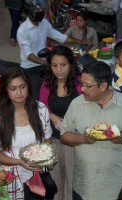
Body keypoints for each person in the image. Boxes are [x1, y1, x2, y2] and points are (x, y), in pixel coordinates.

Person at [60, 61, 122, 200]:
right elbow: (64, 135)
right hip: (84, 185)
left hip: (115, 185)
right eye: (82, 84)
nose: (82, 89)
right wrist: (82, 139)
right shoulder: (77, 104)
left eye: (88, 86)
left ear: (103, 86)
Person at [0, 66, 52, 199]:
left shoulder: (41, 110)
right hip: (12, 179)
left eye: (22, 87)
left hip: (38, 177)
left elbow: (47, 140)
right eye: (13, 89)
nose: (19, 92)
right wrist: (19, 162)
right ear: (5, 91)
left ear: (28, 87)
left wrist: (43, 159)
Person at [17, 0, 90, 99]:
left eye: (41, 9)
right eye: (36, 9)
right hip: (30, 68)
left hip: (45, 63)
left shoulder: (44, 23)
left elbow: (59, 37)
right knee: (37, 94)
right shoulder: (22, 30)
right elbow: (28, 55)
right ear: (29, 11)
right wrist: (49, 64)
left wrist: (80, 41)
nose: (40, 11)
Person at [39, 45, 81, 200]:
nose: (59, 70)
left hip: (75, 142)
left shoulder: (79, 83)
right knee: (56, 183)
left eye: (63, 65)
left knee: (73, 182)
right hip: (54, 141)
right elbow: (41, 107)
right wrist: (53, 116)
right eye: (54, 65)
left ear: (71, 64)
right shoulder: (46, 84)